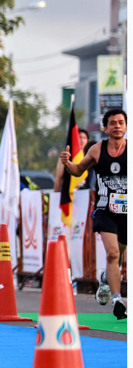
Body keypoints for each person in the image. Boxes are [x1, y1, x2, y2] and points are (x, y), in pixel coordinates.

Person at [60, 108, 127, 320]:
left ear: (126, 126)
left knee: (118, 257)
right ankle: (118, 300)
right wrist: (67, 163)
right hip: (105, 210)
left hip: (127, 213)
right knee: (112, 253)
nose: (117, 126)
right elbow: (78, 170)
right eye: (113, 123)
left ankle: (105, 280)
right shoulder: (98, 150)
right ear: (105, 128)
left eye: (121, 122)